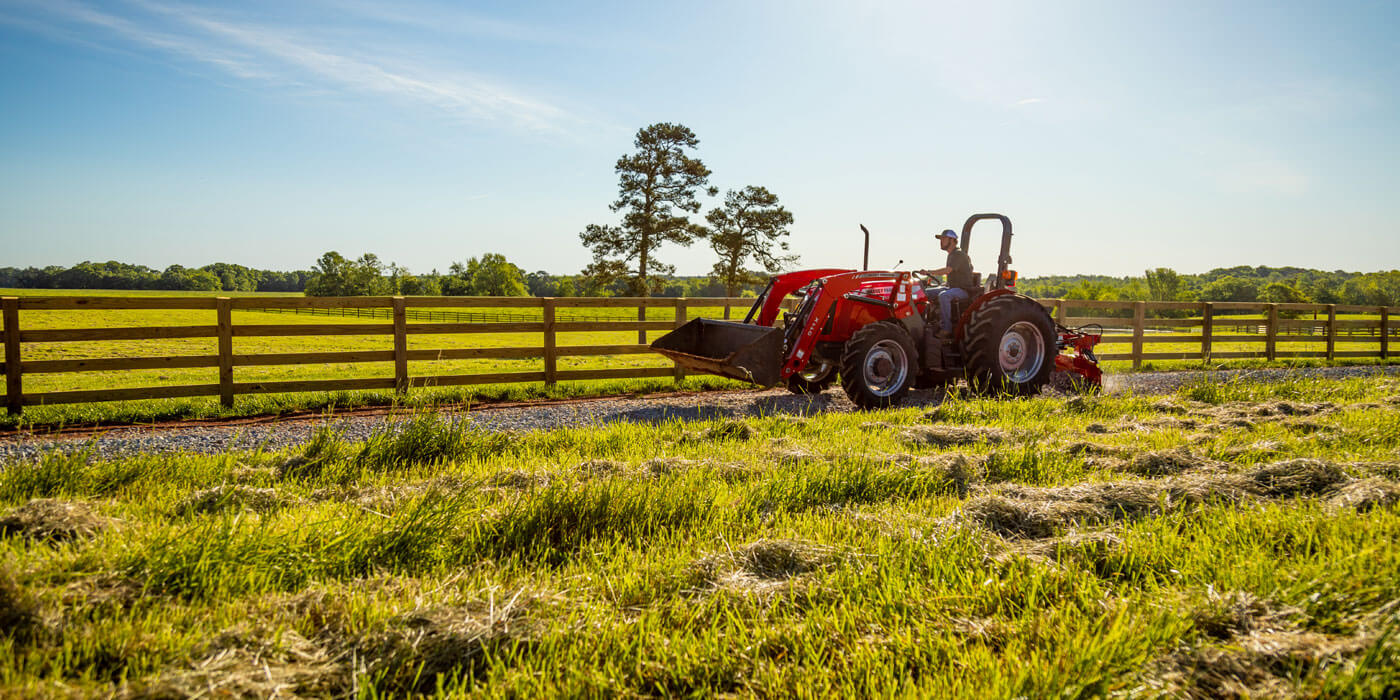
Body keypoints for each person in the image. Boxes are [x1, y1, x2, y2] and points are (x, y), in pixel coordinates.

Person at [920, 229, 975, 336]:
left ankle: (947, 328)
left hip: (963, 290)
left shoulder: (959, 254)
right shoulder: (951, 255)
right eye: (941, 239)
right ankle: (927, 321)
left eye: (944, 239)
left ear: (952, 240)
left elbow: (947, 270)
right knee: (925, 292)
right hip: (952, 287)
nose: (941, 241)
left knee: (944, 296)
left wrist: (928, 272)